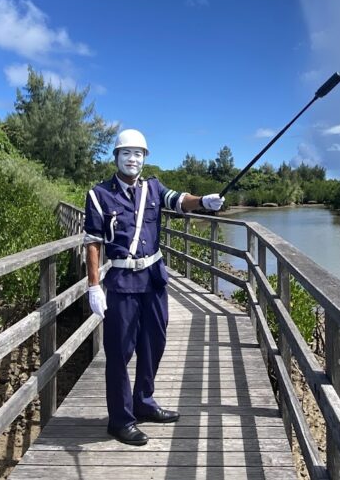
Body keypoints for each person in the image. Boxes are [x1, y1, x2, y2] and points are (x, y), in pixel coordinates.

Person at [83, 129, 224, 446]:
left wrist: (203, 201)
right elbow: (93, 243)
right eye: (127, 153)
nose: (133, 159)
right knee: (119, 353)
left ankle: (143, 402)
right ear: (116, 156)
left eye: (139, 154)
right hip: (121, 283)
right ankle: (120, 420)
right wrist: (94, 286)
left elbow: (179, 200)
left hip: (154, 280)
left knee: (154, 344)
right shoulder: (98, 195)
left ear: (144, 158)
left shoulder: (154, 188)